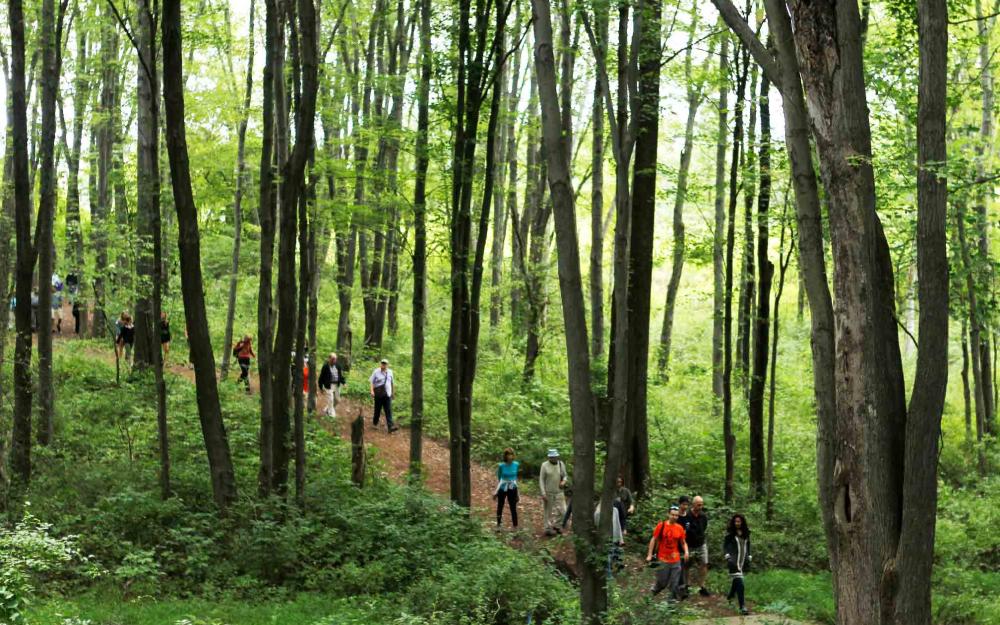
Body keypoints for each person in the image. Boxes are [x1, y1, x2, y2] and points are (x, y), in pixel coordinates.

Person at [646, 505, 689, 601]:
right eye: (672, 515)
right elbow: (653, 539)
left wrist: (686, 551)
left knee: (674, 583)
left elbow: (683, 542)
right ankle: (651, 595)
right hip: (663, 559)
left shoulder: (680, 528)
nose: (674, 517)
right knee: (662, 582)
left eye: (676, 515)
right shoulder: (661, 526)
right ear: (668, 514)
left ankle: (670, 606)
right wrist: (649, 555)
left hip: (675, 559)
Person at [724, 514, 752, 615]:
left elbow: (748, 544)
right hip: (733, 561)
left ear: (742, 522)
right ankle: (742, 606)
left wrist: (749, 555)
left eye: (739, 521)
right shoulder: (730, 533)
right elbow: (725, 545)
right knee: (740, 582)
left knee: (737, 581)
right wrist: (727, 556)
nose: (737, 523)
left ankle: (730, 596)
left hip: (743, 560)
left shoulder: (746, 532)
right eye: (735, 521)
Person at [683, 496, 711, 597]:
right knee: (687, 565)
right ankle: (687, 585)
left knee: (704, 564)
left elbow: (704, 528)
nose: (700, 507)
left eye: (702, 505)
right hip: (689, 544)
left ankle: (702, 586)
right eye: (698, 505)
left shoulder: (703, 516)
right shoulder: (687, 515)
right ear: (693, 504)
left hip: (701, 544)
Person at [539, 449, 567, 536]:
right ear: (549, 457)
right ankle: (547, 528)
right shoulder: (544, 465)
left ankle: (557, 525)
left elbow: (565, 475)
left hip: (559, 492)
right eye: (551, 457)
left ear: (557, 456)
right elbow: (541, 480)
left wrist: (564, 481)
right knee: (548, 511)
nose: (553, 458)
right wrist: (543, 493)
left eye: (555, 456)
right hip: (548, 492)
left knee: (563, 511)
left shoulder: (561, 464)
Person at [595, 499, 625, 576]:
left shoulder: (615, 510)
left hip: (615, 538)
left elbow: (618, 524)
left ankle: (620, 572)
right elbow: (596, 527)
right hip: (605, 540)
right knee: (607, 560)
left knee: (617, 555)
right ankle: (609, 579)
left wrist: (621, 539)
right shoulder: (598, 513)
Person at [369, 358, 398, 433]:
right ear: (380, 364)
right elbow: (371, 382)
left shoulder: (390, 372)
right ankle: (375, 423)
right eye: (382, 363)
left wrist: (392, 393)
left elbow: (392, 383)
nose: (383, 365)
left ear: (387, 365)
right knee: (377, 410)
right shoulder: (376, 371)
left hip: (387, 394)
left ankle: (390, 427)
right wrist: (372, 391)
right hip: (378, 394)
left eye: (385, 364)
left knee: (388, 410)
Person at [493, 447, 519, 530]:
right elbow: (500, 477)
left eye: (511, 454)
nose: (510, 456)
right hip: (503, 487)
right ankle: (498, 525)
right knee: (500, 506)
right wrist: (497, 491)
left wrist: (518, 493)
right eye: (508, 455)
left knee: (513, 507)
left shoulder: (516, 464)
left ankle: (515, 526)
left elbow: (515, 477)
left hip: (512, 487)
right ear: (505, 456)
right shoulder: (501, 466)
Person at [318, 353, 346, 417]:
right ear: (329, 359)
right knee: (331, 399)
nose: (334, 361)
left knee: (337, 400)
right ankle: (331, 414)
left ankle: (328, 409)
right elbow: (321, 377)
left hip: (336, 385)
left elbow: (340, 375)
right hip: (328, 385)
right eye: (333, 359)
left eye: (335, 359)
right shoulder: (325, 366)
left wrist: (343, 382)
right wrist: (320, 387)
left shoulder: (338, 365)